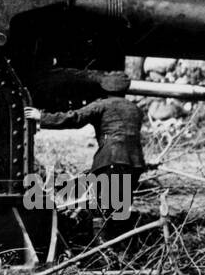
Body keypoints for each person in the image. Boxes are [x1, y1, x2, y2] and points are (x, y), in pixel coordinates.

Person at [24, 74, 145, 217]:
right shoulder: (136, 109)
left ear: (105, 89)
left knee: (104, 209)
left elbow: (74, 118)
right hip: (135, 163)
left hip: (111, 160)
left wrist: (42, 117)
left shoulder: (101, 105)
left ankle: (102, 237)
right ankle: (121, 237)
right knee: (121, 209)